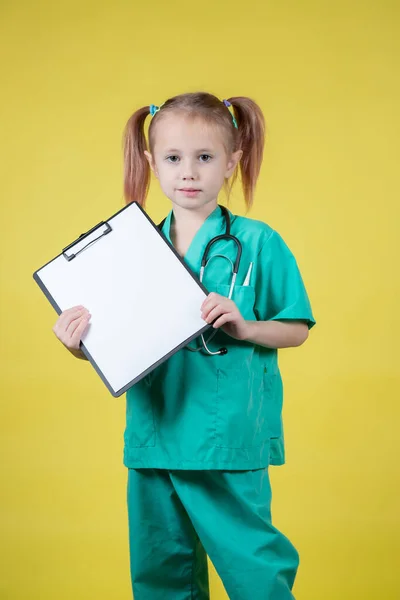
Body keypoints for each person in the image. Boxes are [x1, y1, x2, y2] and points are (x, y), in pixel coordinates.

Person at [53, 92, 316, 600]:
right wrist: (80, 344)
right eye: (173, 158)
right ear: (152, 163)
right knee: (161, 575)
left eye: (205, 157)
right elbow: (121, 339)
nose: (188, 172)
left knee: (254, 569)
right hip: (154, 435)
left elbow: (297, 327)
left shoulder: (259, 242)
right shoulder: (129, 251)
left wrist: (245, 327)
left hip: (225, 438)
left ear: (232, 162)